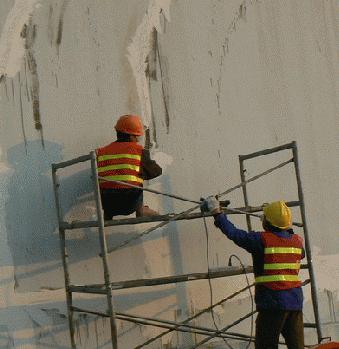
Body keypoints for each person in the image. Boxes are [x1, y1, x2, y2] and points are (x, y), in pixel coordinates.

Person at [202, 198, 305, 349]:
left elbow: (235, 234)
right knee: (297, 346)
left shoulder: (261, 241)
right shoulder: (297, 241)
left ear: (268, 223)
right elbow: (291, 246)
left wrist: (217, 213)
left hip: (272, 304)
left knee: (266, 345)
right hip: (295, 303)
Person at [96, 114, 162, 219]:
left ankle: (107, 217)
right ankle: (141, 210)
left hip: (108, 205)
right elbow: (156, 171)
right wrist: (140, 173)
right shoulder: (139, 151)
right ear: (131, 136)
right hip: (130, 203)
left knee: (107, 187)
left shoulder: (101, 152)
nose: (138, 140)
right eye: (137, 136)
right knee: (136, 183)